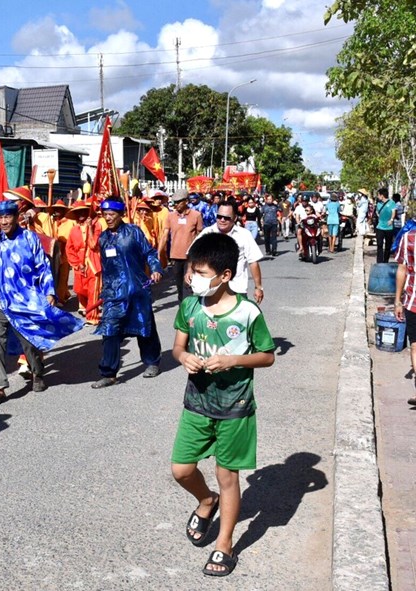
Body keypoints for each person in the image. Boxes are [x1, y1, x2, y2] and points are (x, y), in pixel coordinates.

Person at [171, 232, 276, 577]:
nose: (193, 279)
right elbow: (177, 348)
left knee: (227, 475)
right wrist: (185, 357)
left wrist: (233, 361)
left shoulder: (248, 312)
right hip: (197, 401)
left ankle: (225, 544)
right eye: (192, 272)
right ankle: (206, 500)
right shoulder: (190, 306)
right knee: (181, 470)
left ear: (226, 275)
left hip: (235, 406)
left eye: (201, 273)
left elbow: (267, 357)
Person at [0, 199, 84, 406]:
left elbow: (42, 267)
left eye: (7, 217)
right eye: (0, 218)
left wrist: (49, 292)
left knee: (29, 341)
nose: (4, 222)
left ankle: (37, 372)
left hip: (24, 300)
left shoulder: (29, 238)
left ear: (16, 218)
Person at [92, 198, 163, 388]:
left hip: (137, 289)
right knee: (110, 331)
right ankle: (109, 373)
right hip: (114, 294)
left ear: (121, 214)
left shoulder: (134, 232)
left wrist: (156, 269)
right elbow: (106, 268)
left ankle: (152, 362)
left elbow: (149, 253)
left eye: (112, 214)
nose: (108, 218)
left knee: (144, 327)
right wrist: (105, 291)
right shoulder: (104, 238)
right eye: (105, 214)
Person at [190, 201, 265, 303]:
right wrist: (189, 271)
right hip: (209, 290)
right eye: (219, 216)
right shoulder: (207, 232)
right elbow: (192, 254)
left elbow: (253, 262)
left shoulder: (244, 235)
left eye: (226, 218)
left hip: (236, 289)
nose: (222, 220)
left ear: (234, 218)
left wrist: (258, 287)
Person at [160, 188, 203, 303]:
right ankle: (182, 309)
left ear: (186, 201)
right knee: (179, 286)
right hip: (175, 256)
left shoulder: (196, 215)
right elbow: (165, 235)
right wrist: (159, 253)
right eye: (174, 202)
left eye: (179, 202)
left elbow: (200, 237)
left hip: (191, 257)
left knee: (188, 286)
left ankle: (187, 311)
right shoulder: (170, 216)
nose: (176, 205)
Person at [65, 200, 103, 325]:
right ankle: (86, 309)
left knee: (93, 291)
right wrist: (76, 263)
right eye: (77, 212)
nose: (80, 214)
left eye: (83, 211)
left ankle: (92, 317)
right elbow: (69, 249)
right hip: (80, 265)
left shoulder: (97, 226)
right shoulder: (74, 230)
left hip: (93, 263)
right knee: (80, 289)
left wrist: (90, 228)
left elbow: (93, 245)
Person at [394, 225, 416, 404]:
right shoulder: (408, 238)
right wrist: (397, 300)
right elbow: (402, 268)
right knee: (415, 345)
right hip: (412, 301)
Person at [375, 188, 398, 263]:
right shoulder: (378, 204)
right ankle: (379, 261)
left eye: (378, 195)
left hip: (389, 227)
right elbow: (377, 213)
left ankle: (386, 261)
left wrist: (391, 219)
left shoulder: (392, 203)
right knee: (379, 245)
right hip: (380, 227)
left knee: (388, 245)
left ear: (382, 196)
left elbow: (393, 211)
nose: (378, 196)